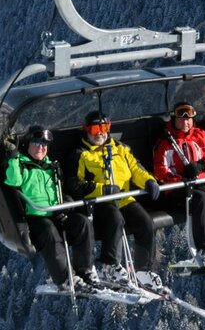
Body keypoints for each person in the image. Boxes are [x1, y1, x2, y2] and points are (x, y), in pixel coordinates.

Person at [72, 112, 166, 289]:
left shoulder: (120, 149)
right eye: (94, 128)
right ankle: (109, 265)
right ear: (86, 130)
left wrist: (148, 181)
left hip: (123, 198)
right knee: (115, 219)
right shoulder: (81, 155)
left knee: (146, 223)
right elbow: (75, 185)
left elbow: (136, 169)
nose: (99, 133)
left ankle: (143, 270)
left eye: (103, 128)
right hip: (99, 203)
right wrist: (102, 189)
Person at [3, 126, 99, 293]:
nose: (41, 148)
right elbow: (13, 181)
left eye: (45, 144)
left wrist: (66, 206)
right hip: (36, 216)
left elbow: (61, 190)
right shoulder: (22, 165)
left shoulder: (52, 166)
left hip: (56, 212)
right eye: (37, 143)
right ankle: (64, 278)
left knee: (81, 223)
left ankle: (85, 270)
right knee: (49, 231)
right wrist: (13, 156)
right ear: (28, 144)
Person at [153, 102, 205, 266]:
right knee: (201, 199)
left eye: (189, 119)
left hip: (202, 182)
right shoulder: (166, 143)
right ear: (174, 119)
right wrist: (182, 180)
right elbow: (160, 171)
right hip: (178, 189)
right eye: (181, 119)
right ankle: (204, 247)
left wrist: (202, 165)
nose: (186, 123)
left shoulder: (201, 136)